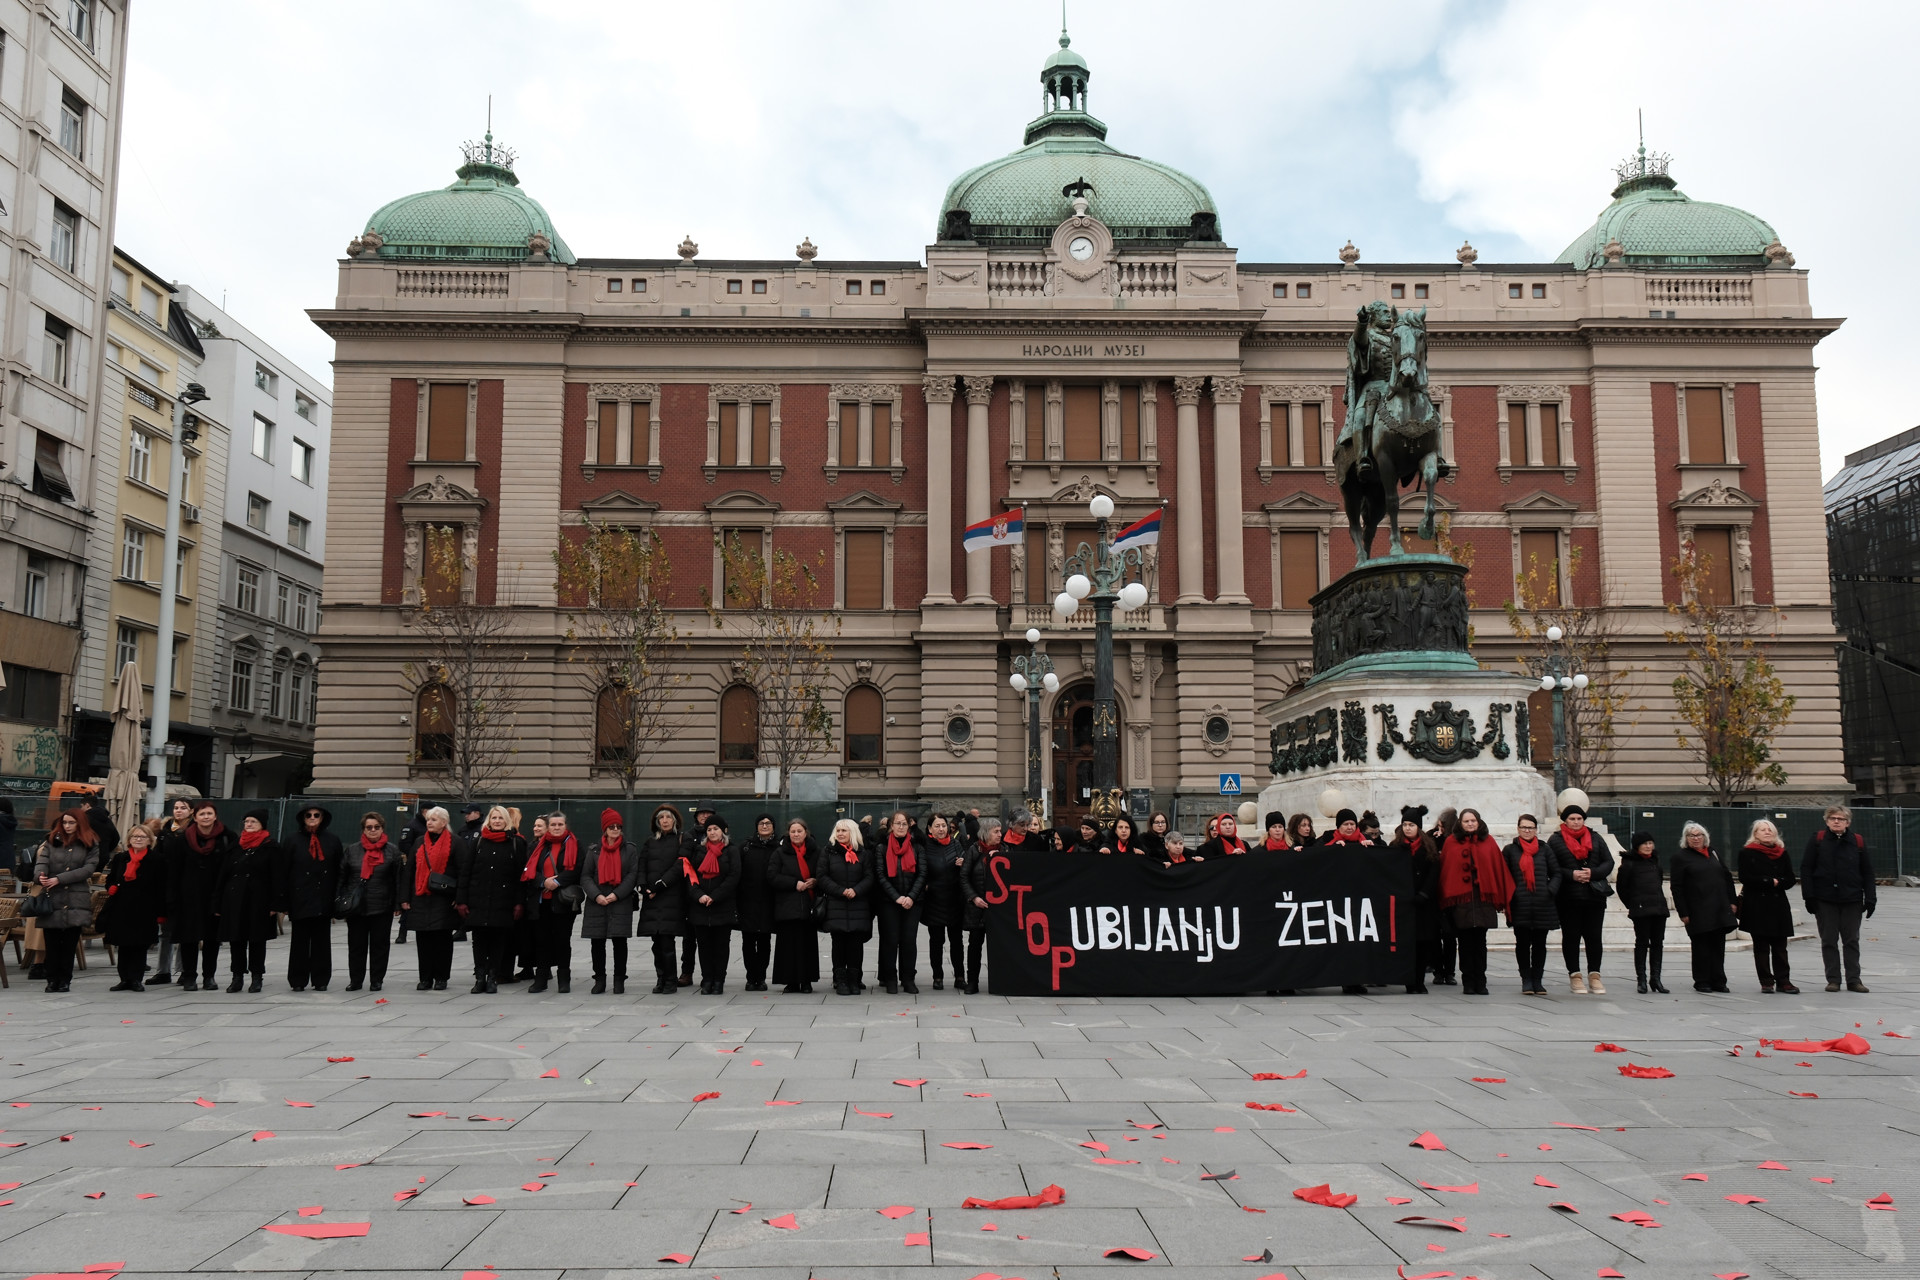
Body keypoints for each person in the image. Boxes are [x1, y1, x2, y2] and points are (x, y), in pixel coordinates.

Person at [1801, 805, 1875, 994]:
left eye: (1840, 819)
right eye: (1832, 818)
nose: (1836, 821)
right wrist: (1808, 896)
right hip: (1825, 899)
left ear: (1847, 822)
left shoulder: (1857, 841)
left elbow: (1867, 871)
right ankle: (1833, 979)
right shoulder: (1817, 840)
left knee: (1851, 940)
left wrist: (1871, 898)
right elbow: (1806, 868)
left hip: (1852, 899)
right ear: (1826, 821)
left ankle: (1854, 979)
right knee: (1829, 940)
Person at [1438, 807, 1511, 996]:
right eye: (1466, 821)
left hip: (1482, 900)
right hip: (1461, 902)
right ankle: (1468, 982)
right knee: (1464, 942)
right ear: (1460, 824)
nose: (1470, 824)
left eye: (1473, 821)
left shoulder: (1489, 842)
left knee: (1480, 942)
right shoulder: (1450, 843)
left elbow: (1497, 868)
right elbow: (1446, 872)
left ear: (1478, 822)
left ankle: (1481, 980)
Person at [213, 809, 285, 993]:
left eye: (253, 821)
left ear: (262, 825)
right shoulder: (235, 846)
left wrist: (276, 904)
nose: (249, 824)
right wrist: (218, 902)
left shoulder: (271, 846)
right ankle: (237, 976)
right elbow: (223, 875)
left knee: (257, 940)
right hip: (234, 899)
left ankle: (256, 976)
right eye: (247, 821)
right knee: (236, 939)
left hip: (259, 900)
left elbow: (278, 877)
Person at [32, 808, 103, 993]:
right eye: (64, 822)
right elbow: (41, 862)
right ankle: (51, 979)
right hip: (52, 897)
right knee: (52, 941)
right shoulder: (51, 841)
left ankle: (65, 979)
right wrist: (41, 876)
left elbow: (88, 869)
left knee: (69, 943)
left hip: (76, 897)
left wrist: (60, 879)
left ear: (80, 823)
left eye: (72, 823)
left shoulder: (90, 843)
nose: (67, 826)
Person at [455, 805, 525, 995]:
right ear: (489, 820)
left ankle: (493, 977)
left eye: (500, 818)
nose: (496, 821)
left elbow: (520, 876)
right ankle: (480, 977)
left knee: (497, 941)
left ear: (506, 821)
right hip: (478, 899)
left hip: (503, 901)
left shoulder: (515, 844)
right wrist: (461, 899)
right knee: (479, 940)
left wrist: (519, 902)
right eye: (494, 818)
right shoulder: (479, 842)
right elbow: (466, 872)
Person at [1547, 803, 1614, 996]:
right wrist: (1572, 875)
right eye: (1572, 819)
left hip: (1594, 897)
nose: (1576, 822)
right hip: (1569, 898)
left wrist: (1593, 873)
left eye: (1579, 819)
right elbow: (1553, 867)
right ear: (1565, 821)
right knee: (1571, 937)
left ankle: (1595, 975)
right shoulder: (1556, 840)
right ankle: (1575, 976)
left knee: (1594, 937)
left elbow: (1608, 862)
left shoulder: (1595, 837)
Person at [166, 800, 231, 991]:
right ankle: (189, 976)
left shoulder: (226, 837)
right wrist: (172, 897)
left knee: (212, 939)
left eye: (209, 814)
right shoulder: (183, 839)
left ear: (215, 816)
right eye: (202, 814)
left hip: (215, 895)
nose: (206, 817)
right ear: (195, 817)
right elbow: (173, 870)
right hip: (188, 896)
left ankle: (209, 976)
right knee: (189, 938)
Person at [1670, 821, 1736, 993]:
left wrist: (1732, 901)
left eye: (1699, 835)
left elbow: (1727, 877)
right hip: (1697, 909)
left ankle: (1719, 980)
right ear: (1686, 839)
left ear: (1705, 837)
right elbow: (1677, 887)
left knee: (1718, 946)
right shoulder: (1680, 857)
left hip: (1719, 907)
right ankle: (1702, 980)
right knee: (1701, 947)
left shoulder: (1713, 852)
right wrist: (1683, 911)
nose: (1696, 838)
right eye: (1692, 836)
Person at [580, 808, 639, 994]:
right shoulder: (594, 850)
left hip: (620, 901)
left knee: (620, 943)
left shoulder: (629, 849)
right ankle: (599, 979)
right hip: (596, 902)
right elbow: (586, 876)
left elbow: (632, 875)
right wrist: (596, 895)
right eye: (611, 826)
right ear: (604, 829)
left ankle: (619, 979)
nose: (615, 829)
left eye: (618, 826)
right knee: (597, 943)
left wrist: (617, 894)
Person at [100, 820, 166, 991]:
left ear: (150, 840)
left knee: (140, 945)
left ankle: (136, 979)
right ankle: (124, 979)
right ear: (129, 839)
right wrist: (111, 887)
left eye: (142, 837)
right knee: (123, 944)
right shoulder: (121, 858)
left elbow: (161, 886)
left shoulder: (156, 859)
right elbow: (111, 878)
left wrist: (160, 912)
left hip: (145, 908)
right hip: (121, 907)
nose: (138, 839)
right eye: (135, 836)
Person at [1737, 818, 1799, 995]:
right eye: (1762, 830)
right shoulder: (1747, 853)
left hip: (1778, 904)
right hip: (1757, 904)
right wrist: (1767, 881)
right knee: (1761, 946)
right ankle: (1766, 981)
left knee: (1781, 946)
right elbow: (1745, 877)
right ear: (1755, 834)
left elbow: (1790, 878)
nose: (1767, 832)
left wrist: (1779, 882)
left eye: (1770, 829)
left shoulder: (1782, 853)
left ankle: (1784, 981)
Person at [284, 805, 342, 992]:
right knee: (299, 941)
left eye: (316, 815)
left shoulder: (332, 840)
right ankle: (298, 979)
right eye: (308, 815)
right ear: (302, 818)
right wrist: (284, 900)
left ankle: (321, 978)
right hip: (299, 897)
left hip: (323, 897)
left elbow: (339, 869)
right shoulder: (292, 840)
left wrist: (336, 897)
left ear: (323, 818)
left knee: (321, 941)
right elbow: (284, 872)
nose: (312, 818)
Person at [522, 811, 581, 993]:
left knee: (563, 940)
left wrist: (557, 881)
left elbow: (577, 869)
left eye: (560, 824)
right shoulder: (538, 845)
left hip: (563, 902)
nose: (556, 827)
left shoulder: (575, 845)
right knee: (541, 941)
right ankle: (541, 978)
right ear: (548, 827)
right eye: (553, 825)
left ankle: (564, 979)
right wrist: (543, 881)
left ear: (565, 826)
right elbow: (529, 869)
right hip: (541, 902)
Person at [402, 805, 459, 991]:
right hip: (420, 897)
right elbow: (409, 870)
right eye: (428, 819)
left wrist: (459, 897)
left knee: (442, 939)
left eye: (434, 820)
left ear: (444, 822)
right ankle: (425, 977)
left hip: (443, 897)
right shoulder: (419, 842)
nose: (429, 822)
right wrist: (405, 897)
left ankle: (441, 977)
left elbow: (462, 871)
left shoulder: (455, 843)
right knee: (423, 940)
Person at [342, 811, 399, 991]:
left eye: (377, 827)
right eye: (369, 827)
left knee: (380, 946)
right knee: (356, 946)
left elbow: (398, 879)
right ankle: (356, 980)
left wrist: (398, 903)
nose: (373, 830)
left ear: (382, 829)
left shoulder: (392, 851)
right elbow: (342, 877)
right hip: (357, 906)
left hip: (382, 905)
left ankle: (377, 980)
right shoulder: (352, 850)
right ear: (363, 830)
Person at [1504, 814, 1561, 996]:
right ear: (1518, 829)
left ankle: (1537, 980)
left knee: (1539, 944)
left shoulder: (1545, 850)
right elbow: (1504, 876)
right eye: (1523, 827)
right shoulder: (1510, 850)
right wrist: (1512, 895)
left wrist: (1549, 890)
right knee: (1522, 943)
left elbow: (1556, 873)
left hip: (1542, 904)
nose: (1527, 830)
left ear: (1536, 829)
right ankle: (1526, 980)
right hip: (1520, 905)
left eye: (1530, 827)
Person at [637, 805, 690, 994]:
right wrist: (643, 886)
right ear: (657, 822)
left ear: (675, 820)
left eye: (669, 817)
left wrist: (659, 886)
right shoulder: (650, 842)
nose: (665, 820)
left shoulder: (683, 839)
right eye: (662, 818)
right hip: (651, 899)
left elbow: (680, 865)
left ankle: (670, 980)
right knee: (656, 943)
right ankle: (660, 978)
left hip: (671, 897)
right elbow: (641, 865)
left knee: (667, 942)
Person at [686, 814, 740, 994]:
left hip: (722, 906)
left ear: (723, 831)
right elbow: (691, 876)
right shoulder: (699, 851)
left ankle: (719, 980)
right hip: (700, 907)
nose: (712, 832)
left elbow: (733, 877)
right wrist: (699, 895)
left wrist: (714, 896)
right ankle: (707, 979)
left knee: (721, 946)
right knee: (704, 946)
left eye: (715, 829)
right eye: (709, 829)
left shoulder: (731, 850)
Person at [873, 810, 926, 994]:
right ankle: (890, 978)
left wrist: (911, 896)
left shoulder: (917, 847)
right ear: (891, 826)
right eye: (898, 823)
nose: (901, 827)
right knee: (890, 940)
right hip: (889, 901)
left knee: (909, 941)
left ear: (909, 826)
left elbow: (922, 874)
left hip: (913, 901)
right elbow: (880, 875)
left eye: (904, 823)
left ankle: (908, 978)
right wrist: (897, 897)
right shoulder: (881, 848)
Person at [1390, 807, 1442, 994]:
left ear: (1418, 827)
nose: (1407, 828)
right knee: (1407, 944)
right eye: (1404, 824)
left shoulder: (1429, 847)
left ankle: (1419, 980)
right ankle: (1409, 981)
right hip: (1404, 904)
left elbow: (1434, 873)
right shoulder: (1395, 847)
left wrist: (1424, 894)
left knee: (1423, 944)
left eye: (1411, 825)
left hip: (1424, 904)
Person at [821, 817, 874, 996]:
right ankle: (840, 980)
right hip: (837, 904)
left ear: (853, 833)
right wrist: (841, 891)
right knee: (839, 943)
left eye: (844, 830)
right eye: (838, 830)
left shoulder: (863, 853)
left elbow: (869, 877)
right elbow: (822, 877)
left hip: (858, 904)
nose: (841, 834)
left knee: (856, 945)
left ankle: (854, 979)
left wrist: (856, 890)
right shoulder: (828, 852)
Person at [769, 817, 822, 994]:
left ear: (806, 833)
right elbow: (772, 876)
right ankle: (790, 981)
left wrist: (816, 881)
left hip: (809, 906)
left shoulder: (815, 852)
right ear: (788, 834)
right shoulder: (779, 853)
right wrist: (794, 883)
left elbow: (823, 873)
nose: (796, 834)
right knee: (788, 946)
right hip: (787, 906)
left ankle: (806, 981)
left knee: (807, 945)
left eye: (799, 831)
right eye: (793, 831)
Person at [1615, 831, 1670, 993]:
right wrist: (1633, 904)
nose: (1648, 846)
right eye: (1644, 844)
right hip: (1641, 910)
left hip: (1659, 908)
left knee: (1658, 944)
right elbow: (1622, 888)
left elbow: (1658, 881)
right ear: (1637, 846)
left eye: (1650, 843)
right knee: (1642, 943)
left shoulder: (1655, 862)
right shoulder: (1629, 864)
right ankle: (1642, 979)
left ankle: (1656, 979)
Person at [147, 797, 193, 984]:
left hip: (185, 887)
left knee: (184, 930)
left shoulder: (192, 832)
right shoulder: (166, 832)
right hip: (166, 886)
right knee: (164, 931)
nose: (179, 811)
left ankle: (183, 970)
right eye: (176, 808)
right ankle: (163, 971)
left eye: (183, 808)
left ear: (191, 811)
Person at [921, 813, 967, 990]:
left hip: (954, 899)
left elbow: (966, 865)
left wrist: (963, 863)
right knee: (936, 941)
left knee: (957, 941)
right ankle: (937, 976)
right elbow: (921, 869)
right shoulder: (925, 846)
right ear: (930, 829)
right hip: (934, 899)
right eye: (937, 826)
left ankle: (960, 976)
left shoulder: (956, 844)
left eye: (943, 826)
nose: (941, 829)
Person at [734, 814, 778, 992]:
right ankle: (751, 977)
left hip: (769, 902)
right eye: (761, 823)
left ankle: (761, 977)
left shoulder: (779, 847)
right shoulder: (745, 847)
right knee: (748, 941)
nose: (765, 826)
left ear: (773, 826)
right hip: (748, 902)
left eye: (768, 823)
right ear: (756, 826)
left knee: (765, 940)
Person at [678, 802, 720, 986]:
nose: (704, 816)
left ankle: (710, 974)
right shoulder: (689, 836)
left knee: (711, 940)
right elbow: (684, 861)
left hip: (714, 893)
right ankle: (687, 972)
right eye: (701, 814)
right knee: (689, 938)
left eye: (708, 814)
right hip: (693, 892)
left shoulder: (721, 835)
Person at [958, 817, 1000, 995]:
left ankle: (998, 980)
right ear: (986, 833)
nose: (1000, 834)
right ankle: (972, 982)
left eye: (1000, 831)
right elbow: (963, 877)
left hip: (998, 910)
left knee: (999, 947)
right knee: (975, 945)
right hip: (977, 907)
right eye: (996, 831)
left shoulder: (1004, 850)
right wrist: (974, 897)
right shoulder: (974, 850)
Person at [1427, 806, 1459, 984]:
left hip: (1450, 894)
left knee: (1449, 936)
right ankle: (1438, 971)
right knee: (1435, 936)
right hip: (1434, 894)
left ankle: (1449, 972)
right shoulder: (1432, 838)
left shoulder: (1454, 840)